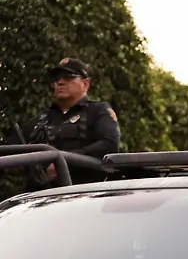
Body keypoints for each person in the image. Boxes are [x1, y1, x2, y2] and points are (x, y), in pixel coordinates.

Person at [13, 58, 120, 189]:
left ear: (85, 84)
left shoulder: (98, 111)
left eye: (68, 77)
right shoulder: (42, 119)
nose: (60, 82)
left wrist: (63, 161)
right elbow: (12, 149)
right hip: (41, 196)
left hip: (84, 193)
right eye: (57, 78)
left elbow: (109, 144)